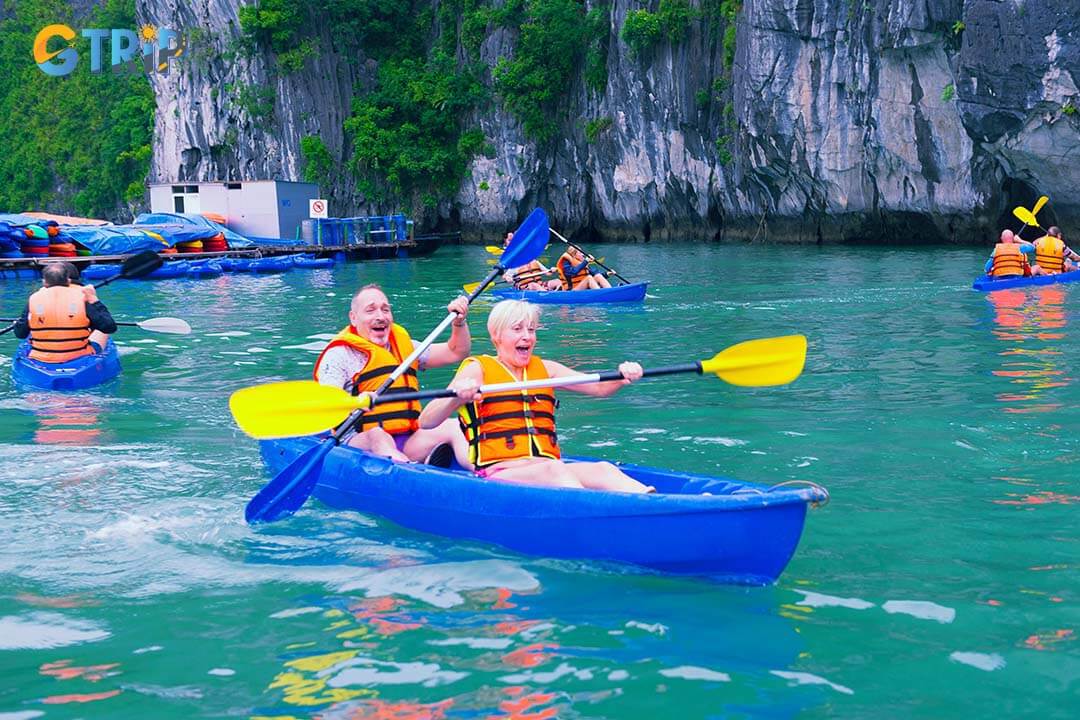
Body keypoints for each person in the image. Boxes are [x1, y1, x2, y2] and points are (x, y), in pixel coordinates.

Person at [418, 299, 654, 493]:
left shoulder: (547, 369)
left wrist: (623, 376)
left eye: (531, 330)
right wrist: (457, 396)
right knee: (554, 471)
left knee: (603, 469)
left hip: (547, 468)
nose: (527, 337)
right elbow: (427, 421)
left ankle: (651, 506)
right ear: (496, 335)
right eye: (517, 329)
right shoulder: (477, 369)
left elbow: (600, 388)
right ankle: (595, 513)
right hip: (500, 473)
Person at [312, 284, 473, 467]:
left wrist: (459, 323)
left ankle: (484, 474)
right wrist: (357, 402)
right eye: (370, 310)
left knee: (453, 426)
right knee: (377, 435)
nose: (380, 316)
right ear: (353, 318)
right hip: (357, 442)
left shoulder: (406, 347)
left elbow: (456, 352)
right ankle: (411, 472)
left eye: (385, 309)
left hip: (408, 438)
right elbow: (326, 404)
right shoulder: (339, 355)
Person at [13, 263, 116, 361]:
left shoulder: (34, 298)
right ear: (68, 280)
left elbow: (21, 334)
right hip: (78, 355)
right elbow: (109, 327)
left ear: (44, 282)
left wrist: (17, 325)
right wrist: (94, 300)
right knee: (101, 332)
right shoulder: (82, 297)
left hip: (41, 357)